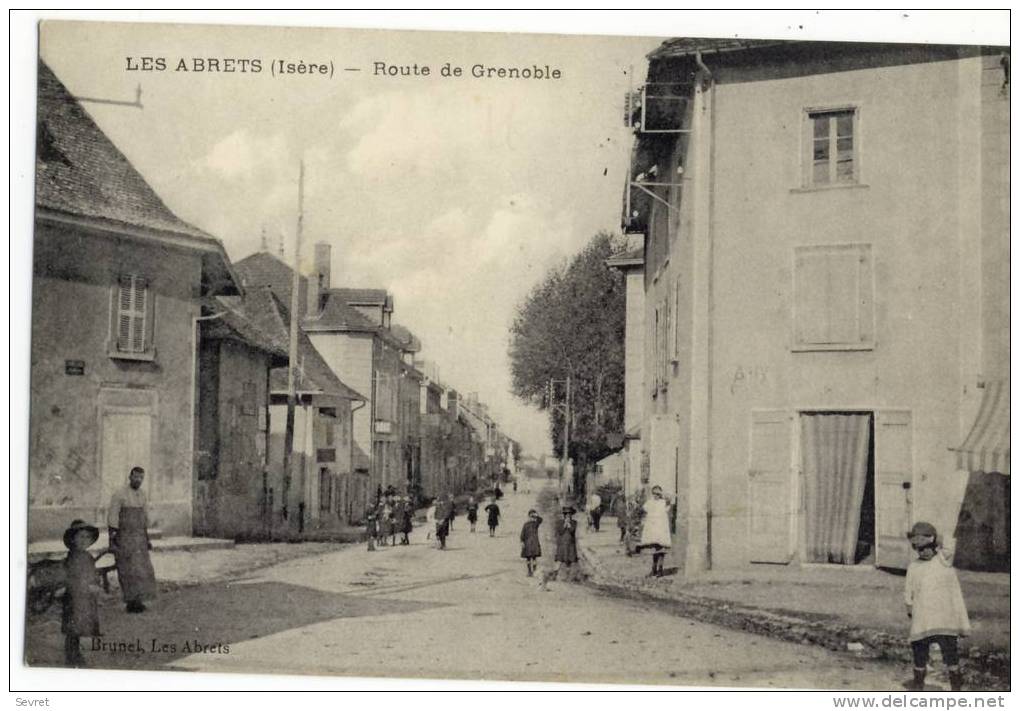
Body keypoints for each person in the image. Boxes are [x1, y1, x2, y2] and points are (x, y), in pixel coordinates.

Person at [904, 521, 971, 691]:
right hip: (923, 617)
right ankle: (918, 686)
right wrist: (909, 606)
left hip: (944, 618)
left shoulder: (943, 560)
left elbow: (949, 544)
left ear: (934, 546)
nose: (923, 551)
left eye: (927, 547)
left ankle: (956, 687)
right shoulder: (914, 567)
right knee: (919, 650)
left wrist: (933, 536)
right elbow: (908, 590)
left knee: (950, 653)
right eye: (919, 548)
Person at [107, 466, 156, 613]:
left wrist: (147, 539)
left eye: (141, 478)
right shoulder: (119, 494)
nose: (138, 480)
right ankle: (130, 602)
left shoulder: (142, 495)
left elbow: (145, 518)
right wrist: (112, 539)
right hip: (125, 537)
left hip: (139, 537)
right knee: (128, 569)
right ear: (130, 477)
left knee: (142, 569)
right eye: (135, 477)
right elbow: (113, 517)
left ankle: (140, 600)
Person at [61, 519, 102, 667]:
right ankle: (71, 658)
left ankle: (75, 655)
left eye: (87, 537)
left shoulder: (87, 556)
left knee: (78, 627)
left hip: (84, 598)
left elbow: (93, 574)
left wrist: (96, 583)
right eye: (80, 537)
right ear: (73, 539)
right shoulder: (73, 558)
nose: (84, 540)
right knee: (73, 628)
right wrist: (88, 586)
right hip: (74, 597)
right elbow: (72, 578)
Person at [638, 485, 671, 577]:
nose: (656, 495)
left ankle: (660, 569)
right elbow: (644, 509)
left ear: (660, 494)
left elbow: (668, 508)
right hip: (653, 529)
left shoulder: (663, 503)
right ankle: (654, 568)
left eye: (658, 494)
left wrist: (667, 501)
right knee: (654, 550)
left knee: (661, 549)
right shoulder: (650, 502)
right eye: (654, 494)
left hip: (661, 529)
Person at [555, 506, 579, 580]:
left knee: (569, 561)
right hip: (562, 545)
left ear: (571, 515)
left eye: (570, 514)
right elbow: (560, 532)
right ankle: (554, 574)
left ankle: (568, 576)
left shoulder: (574, 522)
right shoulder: (559, 522)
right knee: (559, 560)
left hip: (570, 545)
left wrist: (569, 525)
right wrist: (564, 525)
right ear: (564, 515)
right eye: (566, 514)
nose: (568, 515)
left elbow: (572, 531)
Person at [519, 509, 543, 577]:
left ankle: (534, 571)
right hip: (527, 544)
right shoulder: (526, 524)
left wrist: (537, 515)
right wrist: (522, 542)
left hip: (535, 543)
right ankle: (529, 571)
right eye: (531, 516)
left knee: (535, 558)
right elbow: (522, 534)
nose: (532, 518)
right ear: (529, 516)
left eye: (533, 516)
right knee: (528, 558)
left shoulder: (536, 524)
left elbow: (540, 520)